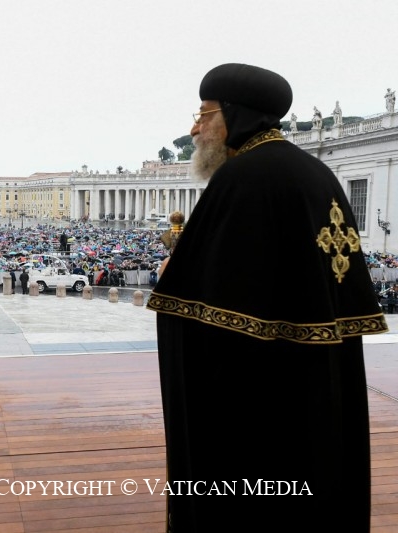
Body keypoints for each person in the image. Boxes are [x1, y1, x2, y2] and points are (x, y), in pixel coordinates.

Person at [146, 63, 387, 533]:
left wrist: (174, 277)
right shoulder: (316, 173)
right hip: (317, 382)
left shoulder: (243, 178)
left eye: (203, 115)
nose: (194, 130)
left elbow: (207, 304)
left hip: (259, 395)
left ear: (233, 114)